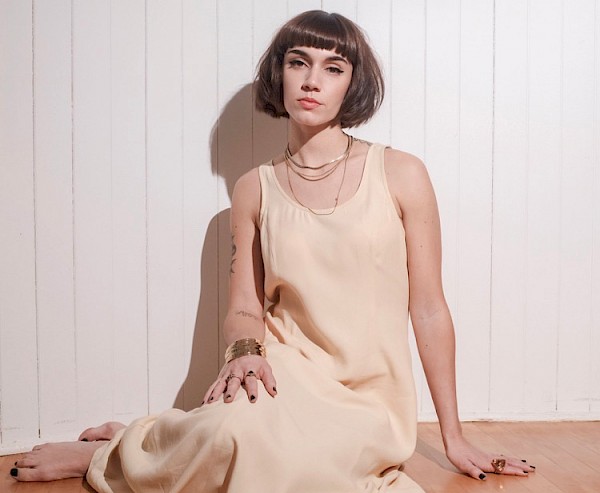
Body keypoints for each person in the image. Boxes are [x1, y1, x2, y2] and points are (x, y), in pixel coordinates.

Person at [10, 10, 534, 492]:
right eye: (298, 62)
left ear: (353, 83)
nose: (311, 81)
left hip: (370, 394)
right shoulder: (253, 188)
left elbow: (430, 307)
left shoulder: (401, 173)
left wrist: (453, 437)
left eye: (333, 68)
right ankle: (112, 453)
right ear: (279, 73)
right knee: (234, 436)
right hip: (286, 369)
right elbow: (245, 305)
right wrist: (245, 353)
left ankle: (140, 441)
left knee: (291, 465)